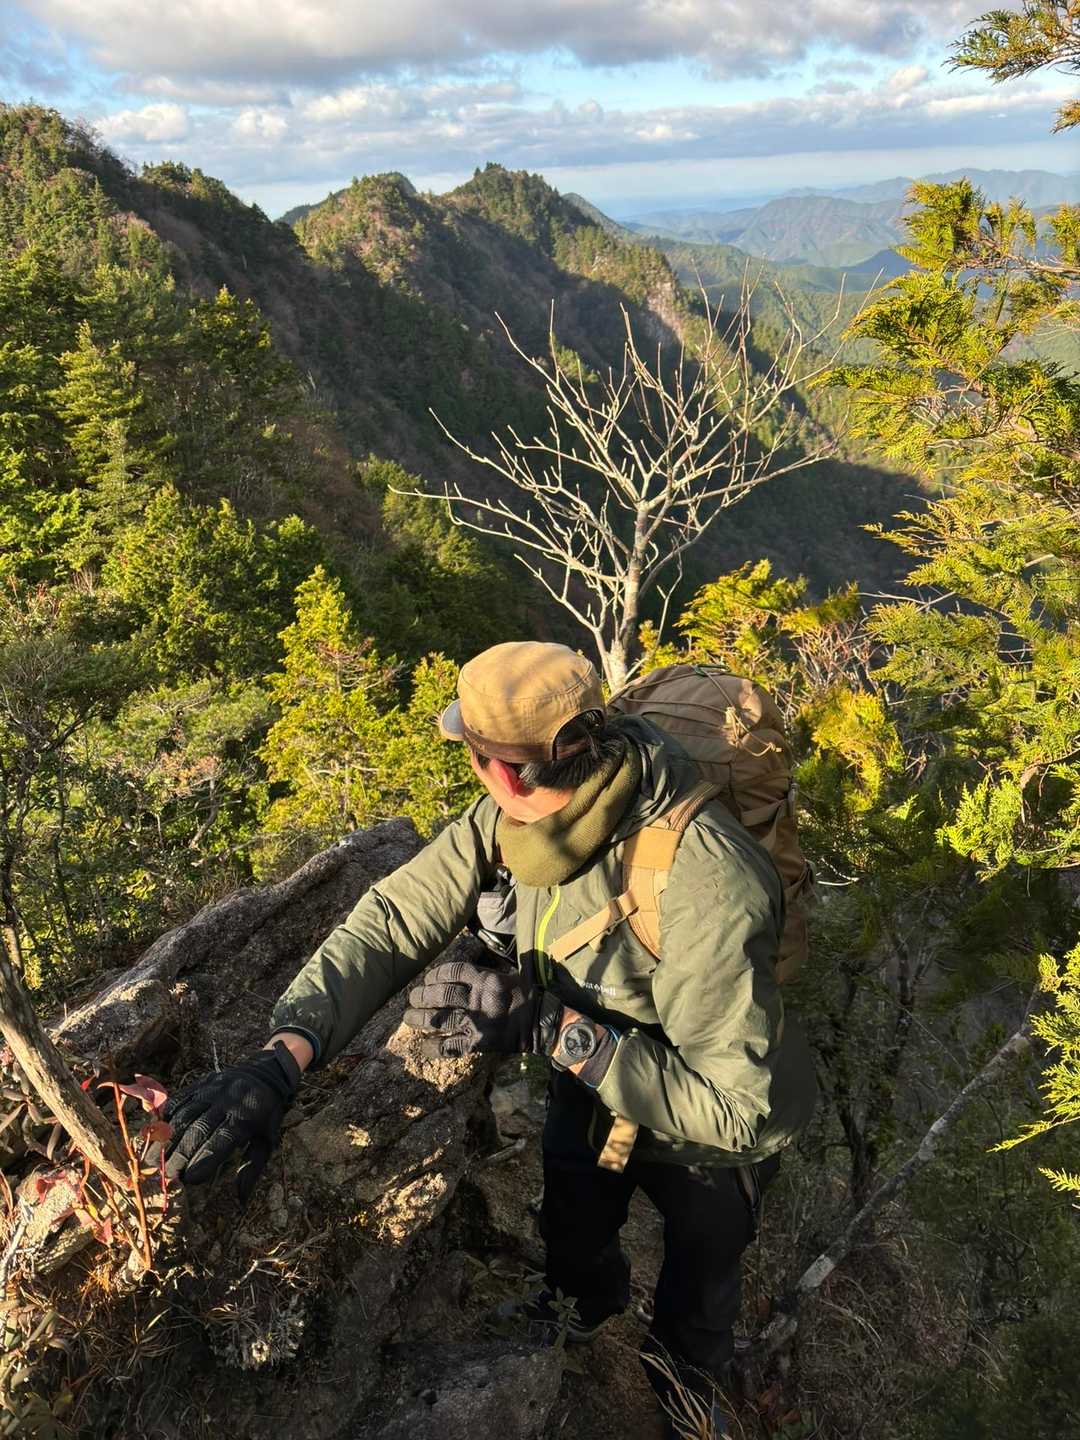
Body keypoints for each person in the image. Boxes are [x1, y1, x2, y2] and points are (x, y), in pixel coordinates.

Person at [163, 640, 818, 1438]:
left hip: (706, 1130)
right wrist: (283, 1056)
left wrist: (553, 1029)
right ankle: (583, 1305)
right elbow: (396, 917)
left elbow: (739, 1108)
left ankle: (684, 1387)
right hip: (598, 1088)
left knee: (700, 1274)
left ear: (502, 770)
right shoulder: (521, 817)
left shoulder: (707, 878)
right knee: (576, 1212)